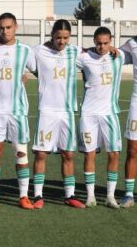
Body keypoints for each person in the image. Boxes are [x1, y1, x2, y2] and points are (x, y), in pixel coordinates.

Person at [0, 13, 36, 209]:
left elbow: (38, 69)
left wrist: (26, 77)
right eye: (2, 28)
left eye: (8, 27)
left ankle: (23, 196)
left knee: (21, 153)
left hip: (18, 110)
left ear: (16, 27)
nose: (5, 31)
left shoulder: (25, 50)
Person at [32, 19, 85, 209]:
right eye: (58, 37)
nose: (62, 42)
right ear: (52, 35)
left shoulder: (75, 52)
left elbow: (96, 52)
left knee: (68, 154)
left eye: (65, 38)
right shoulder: (39, 51)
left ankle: (69, 195)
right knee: (41, 153)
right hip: (47, 110)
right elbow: (20, 56)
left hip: (67, 111)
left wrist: (110, 48)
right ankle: (38, 195)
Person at [77, 26, 124, 208]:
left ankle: (110, 196)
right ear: (94, 41)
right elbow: (62, 55)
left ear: (110, 41)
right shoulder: (85, 57)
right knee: (89, 154)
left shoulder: (119, 57)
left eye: (105, 43)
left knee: (113, 154)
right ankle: (90, 196)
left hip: (110, 113)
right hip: (88, 114)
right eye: (98, 43)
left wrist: (116, 50)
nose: (102, 47)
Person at [120, 36, 137, 207]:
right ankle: (129, 194)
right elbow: (115, 55)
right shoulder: (132, 43)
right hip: (136, 103)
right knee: (132, 150)